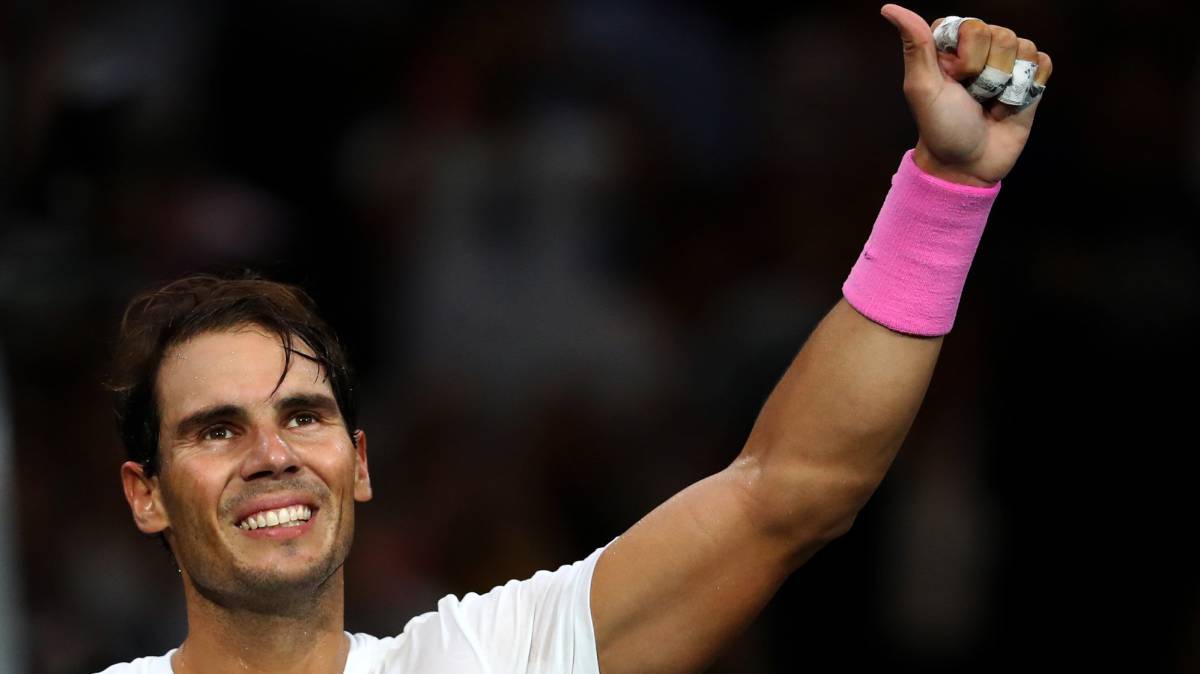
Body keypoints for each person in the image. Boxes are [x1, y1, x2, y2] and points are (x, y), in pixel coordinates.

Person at [100, 5, 1053, 673]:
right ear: (145, 494)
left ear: (356, 461)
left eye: (302, 416)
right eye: (217, 429)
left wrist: (945, 191)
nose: (273, 456)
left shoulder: (491, 659)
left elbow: (792, 489)